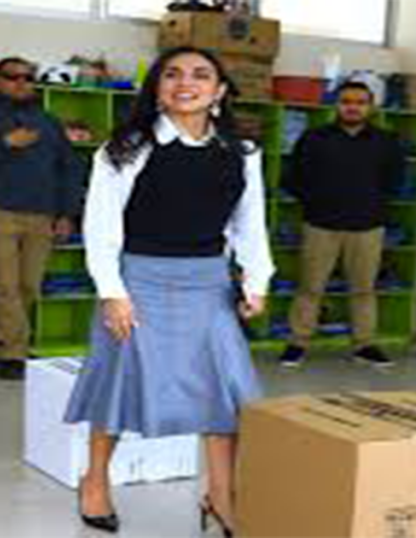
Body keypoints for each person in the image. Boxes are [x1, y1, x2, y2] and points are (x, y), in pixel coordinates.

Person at [63, 47, 274, 536]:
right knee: (119, 383)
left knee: (226, 391)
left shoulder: (243, 152)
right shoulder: (125, 148)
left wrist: (256, 280)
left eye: (201, 75)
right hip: (139, 281)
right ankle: (94, 480)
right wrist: (112, 292)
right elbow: (101, 226)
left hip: (209, 284)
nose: (186, 83)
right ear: (157, 89)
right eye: (172, 74)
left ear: (219, 91)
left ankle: (221, 495)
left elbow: (250, 222)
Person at [0, 57, 84, 381]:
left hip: (42, 214)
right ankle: (13, 353)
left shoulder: (48, 122)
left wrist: (67, 213)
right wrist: (4, 143)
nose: (21, 83)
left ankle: (0, 342)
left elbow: (69, 168)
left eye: (28, 77)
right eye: (12, 76)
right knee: (3, 285)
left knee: (28, 286)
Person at [275, 81, 406, 369]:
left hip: (368, 225)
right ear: (336, 105)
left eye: (360, 102)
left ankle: (365, 345)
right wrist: (316, 202)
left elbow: (395, 181)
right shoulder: (314, 138)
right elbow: (293, 178)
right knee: (310, 287)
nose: (353, 107)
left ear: (371, 107)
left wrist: (372, 203)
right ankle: (298, 343)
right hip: (320, 224)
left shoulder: (386, 141)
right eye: (346, 101)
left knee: (364, 289)